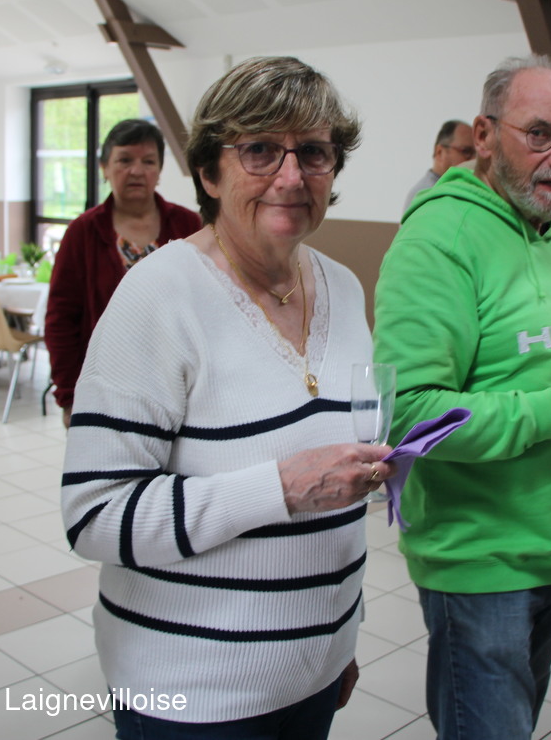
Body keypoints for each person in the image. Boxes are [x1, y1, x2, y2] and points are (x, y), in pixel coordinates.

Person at [60, 56, 395, 739]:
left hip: (313, 672)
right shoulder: (159, 296)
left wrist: (338, 638)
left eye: (314, 152)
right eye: (261, 150)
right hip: (195, 691)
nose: (292, 176)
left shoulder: (343, 286)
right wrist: (279, 488)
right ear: (209, 173)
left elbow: (340, 480)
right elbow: (93, 515)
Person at [373, 54, 551, 740]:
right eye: (539, 133)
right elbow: (409, 413)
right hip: (480, 562)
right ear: (484, 135)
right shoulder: (439, 239)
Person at [44, 119, 201, 427]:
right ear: (104, 168)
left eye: (148, 161)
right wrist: (69, 396)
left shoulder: (188, 225)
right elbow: (60, 319)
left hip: (181, 386)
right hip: (105, 388)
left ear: (159, 170)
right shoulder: (83, 232)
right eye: (125, 160)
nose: (137, 171)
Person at [402, 118, 474, 210]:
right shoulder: (425, 194)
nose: (474, 159)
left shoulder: (455, 188)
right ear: (440, 152)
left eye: (478, 154)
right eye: (466, 151)